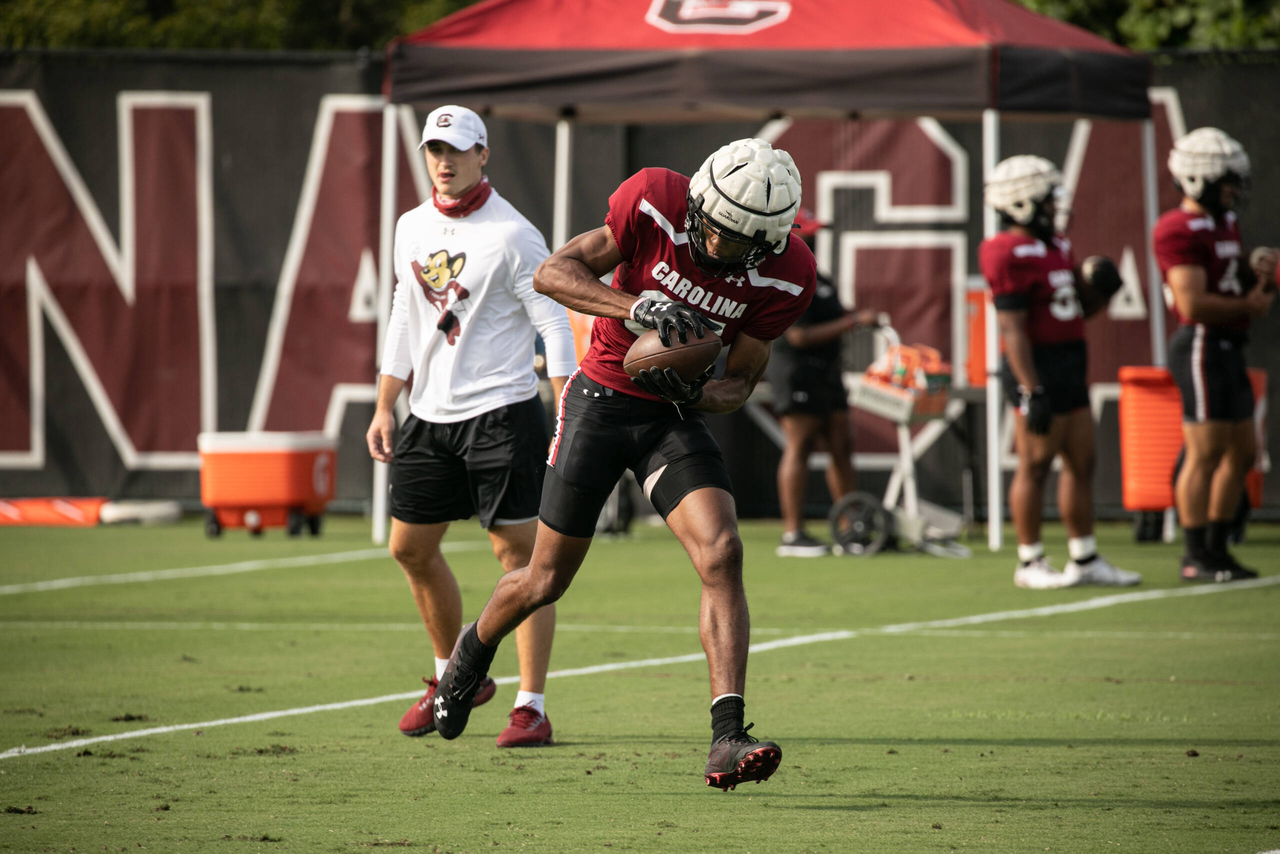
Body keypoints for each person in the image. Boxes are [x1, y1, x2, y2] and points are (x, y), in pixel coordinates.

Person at [428, 138, 816, 791]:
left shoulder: (788, 273)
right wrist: (634, 307)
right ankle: (473, 648)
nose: (713, 245)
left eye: (732, 240)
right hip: (600, 401)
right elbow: (552, 273)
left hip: (671, 416)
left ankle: (727, 738)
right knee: (545, 579)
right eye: (710, 226)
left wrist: (693, 391)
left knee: (722, 553)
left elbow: (742, 379)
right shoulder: (656, 200)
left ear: (769, 241)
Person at [366, 105, 576, 748]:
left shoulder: (513, 234)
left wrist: (567, 411)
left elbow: (553, 322)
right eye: (434, 149)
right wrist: (384, 403)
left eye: (457, 150)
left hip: (502, 415)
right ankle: (450, 679)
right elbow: (406, 312)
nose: (444, 161)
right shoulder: (409, 226)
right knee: (409, 549)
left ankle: (531, 706)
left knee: (522, 561)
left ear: (484, 155)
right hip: (426, 417)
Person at [980, 155, 1142, 590]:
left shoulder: (1056, 246)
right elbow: (1012, 329)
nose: (1056, 209)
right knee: (1034, 464)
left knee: (1081, 462)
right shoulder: (1004, 251)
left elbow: (1076, 309)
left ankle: (1084, 558)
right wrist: (1033, 390)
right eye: (1048, 201)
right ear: (1020, 204)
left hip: (1071, 361)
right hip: (1036, 366)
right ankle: (1030, 561)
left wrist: (1100, 291)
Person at [1155, 127, 1277, 582]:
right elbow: (1191, 303)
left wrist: (1252, 265)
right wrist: (1248, 304)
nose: (1233, 190)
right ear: (1197, 179)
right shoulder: (1176, 227)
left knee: (1243, 451)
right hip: (1201, 344)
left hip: (1228, 344)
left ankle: (1217, 546)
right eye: (1226, 181)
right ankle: (1194, 554)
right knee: (1203, 452)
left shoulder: (1222, 222)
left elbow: (1225, 272)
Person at [769, 208, 879, 557]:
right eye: (808, 232)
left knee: (842, 447)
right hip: (797, 372)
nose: (814, 238)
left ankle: (851, 528)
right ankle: (793, 534)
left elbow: (838, 315)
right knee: (799, 447)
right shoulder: (784, 276)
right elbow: (798, 336)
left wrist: (856, 319)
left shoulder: (819, 275)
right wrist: (853, 322)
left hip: (829, 374)